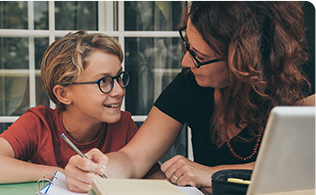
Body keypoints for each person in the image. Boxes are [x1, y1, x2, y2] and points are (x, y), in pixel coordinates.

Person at [64, 1, 315, 192]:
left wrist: (210, 174)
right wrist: (98, 167)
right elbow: (133, 158)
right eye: (188, 48)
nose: (186, 62)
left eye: (199, 57)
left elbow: (304, 168)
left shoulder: (300, 82)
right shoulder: (192, 81)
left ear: (244, 61)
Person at [0, 30, 163, 184]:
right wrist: (61, 174)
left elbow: (157, 180)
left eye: (119, 77)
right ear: (63, 94)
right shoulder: (38, 123)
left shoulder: (123, 125)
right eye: (104, 81)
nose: (119, 90)